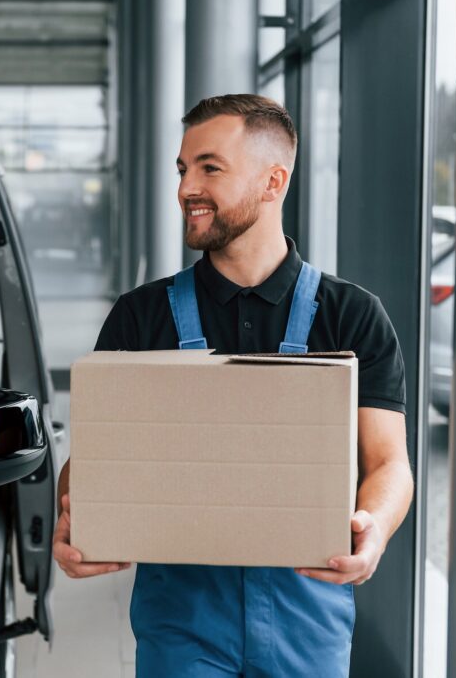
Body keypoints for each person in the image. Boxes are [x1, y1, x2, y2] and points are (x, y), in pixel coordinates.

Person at [52, 94, 414, 677]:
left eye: (209, 168)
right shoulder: (140, 317)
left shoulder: (352, 316)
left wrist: (372, 532)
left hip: (307, 607)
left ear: (274, 181)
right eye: (183, 169)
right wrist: (77, 515)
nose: (186, 188)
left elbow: (390, 464)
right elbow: (92, 460)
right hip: (182, 616)